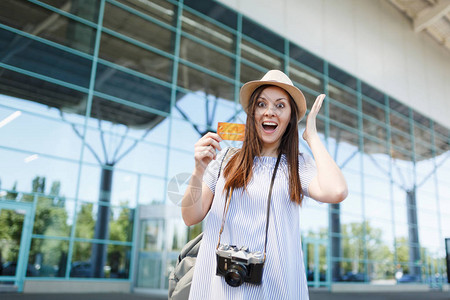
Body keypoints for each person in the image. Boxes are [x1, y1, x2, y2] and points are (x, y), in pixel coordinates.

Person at [181, 70, 348, 299]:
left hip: (274, 290)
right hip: (219, 289)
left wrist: (312, 136)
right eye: (261, 104)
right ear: (252, 113)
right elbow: (190, 216)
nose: (269, 112)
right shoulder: (225, 159)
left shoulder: (296, 166)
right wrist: (199, 169)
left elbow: (337, 190)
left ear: (290, 118)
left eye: (280, 106)